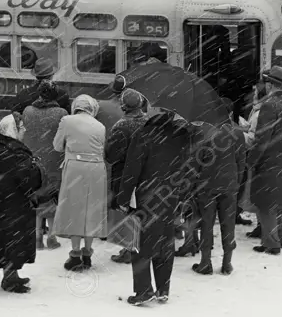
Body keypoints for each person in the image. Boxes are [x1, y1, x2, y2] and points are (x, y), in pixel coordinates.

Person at [115, 107, 200, 305]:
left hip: (146, 195)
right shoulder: (181, 136)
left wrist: (123, 198)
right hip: (171, 195)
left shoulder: (143, 134)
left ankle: (144, 290)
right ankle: (163, 288)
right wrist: (183, 194)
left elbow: (132, 169)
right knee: (165, 240)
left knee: (141, 242)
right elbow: (188, 168)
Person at [0, 113, 45, 293]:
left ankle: (11, 274)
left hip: (4, 202)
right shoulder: (12, 150)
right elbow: (24, 177)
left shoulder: (2, 145)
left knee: (7, 239)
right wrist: (36, 168)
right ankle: (9, 279)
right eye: (21, 127)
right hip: (11, 204)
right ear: (12, 130)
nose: (24, 129)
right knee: (12, 239)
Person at [248, 66, 282, 255]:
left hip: (269, 160)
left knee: (266, 203)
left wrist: (251, 160)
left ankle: (271, 243)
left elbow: (262, 139)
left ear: (271, 84)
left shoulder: (269, 105)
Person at [52, 94, 108, 271]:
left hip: (75, 168)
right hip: (97, 169)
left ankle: (75, 255)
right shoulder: (100, 126)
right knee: (91, 209)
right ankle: (87, 253)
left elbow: (57, 146)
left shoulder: (67, 120)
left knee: (75, 210)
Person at [191, 117, 247, 276]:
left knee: (206, 223)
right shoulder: (237, 132)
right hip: (229, 184)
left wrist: (194, 182)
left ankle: (205, 262)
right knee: (228, 223)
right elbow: (241, 161)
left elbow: (195, 160)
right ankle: (227, 262)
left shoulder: (203, 131)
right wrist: (237, 182)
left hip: (206, 184)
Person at [105, 89, 150, 264]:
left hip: (124, 174)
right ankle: (141, 245)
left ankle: (128, 249)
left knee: (126, 210)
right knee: (141, 209)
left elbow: (111, 155)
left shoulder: (121, 126)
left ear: (124, 106)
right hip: (147, 173)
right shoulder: (149, 122)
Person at [22, 81, 67, 250]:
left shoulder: (27, 111)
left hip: (33, 160)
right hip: (53, 160)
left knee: (37, 196)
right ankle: (52, 238)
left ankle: (37, 236)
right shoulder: (61, 113)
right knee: (51, 198)